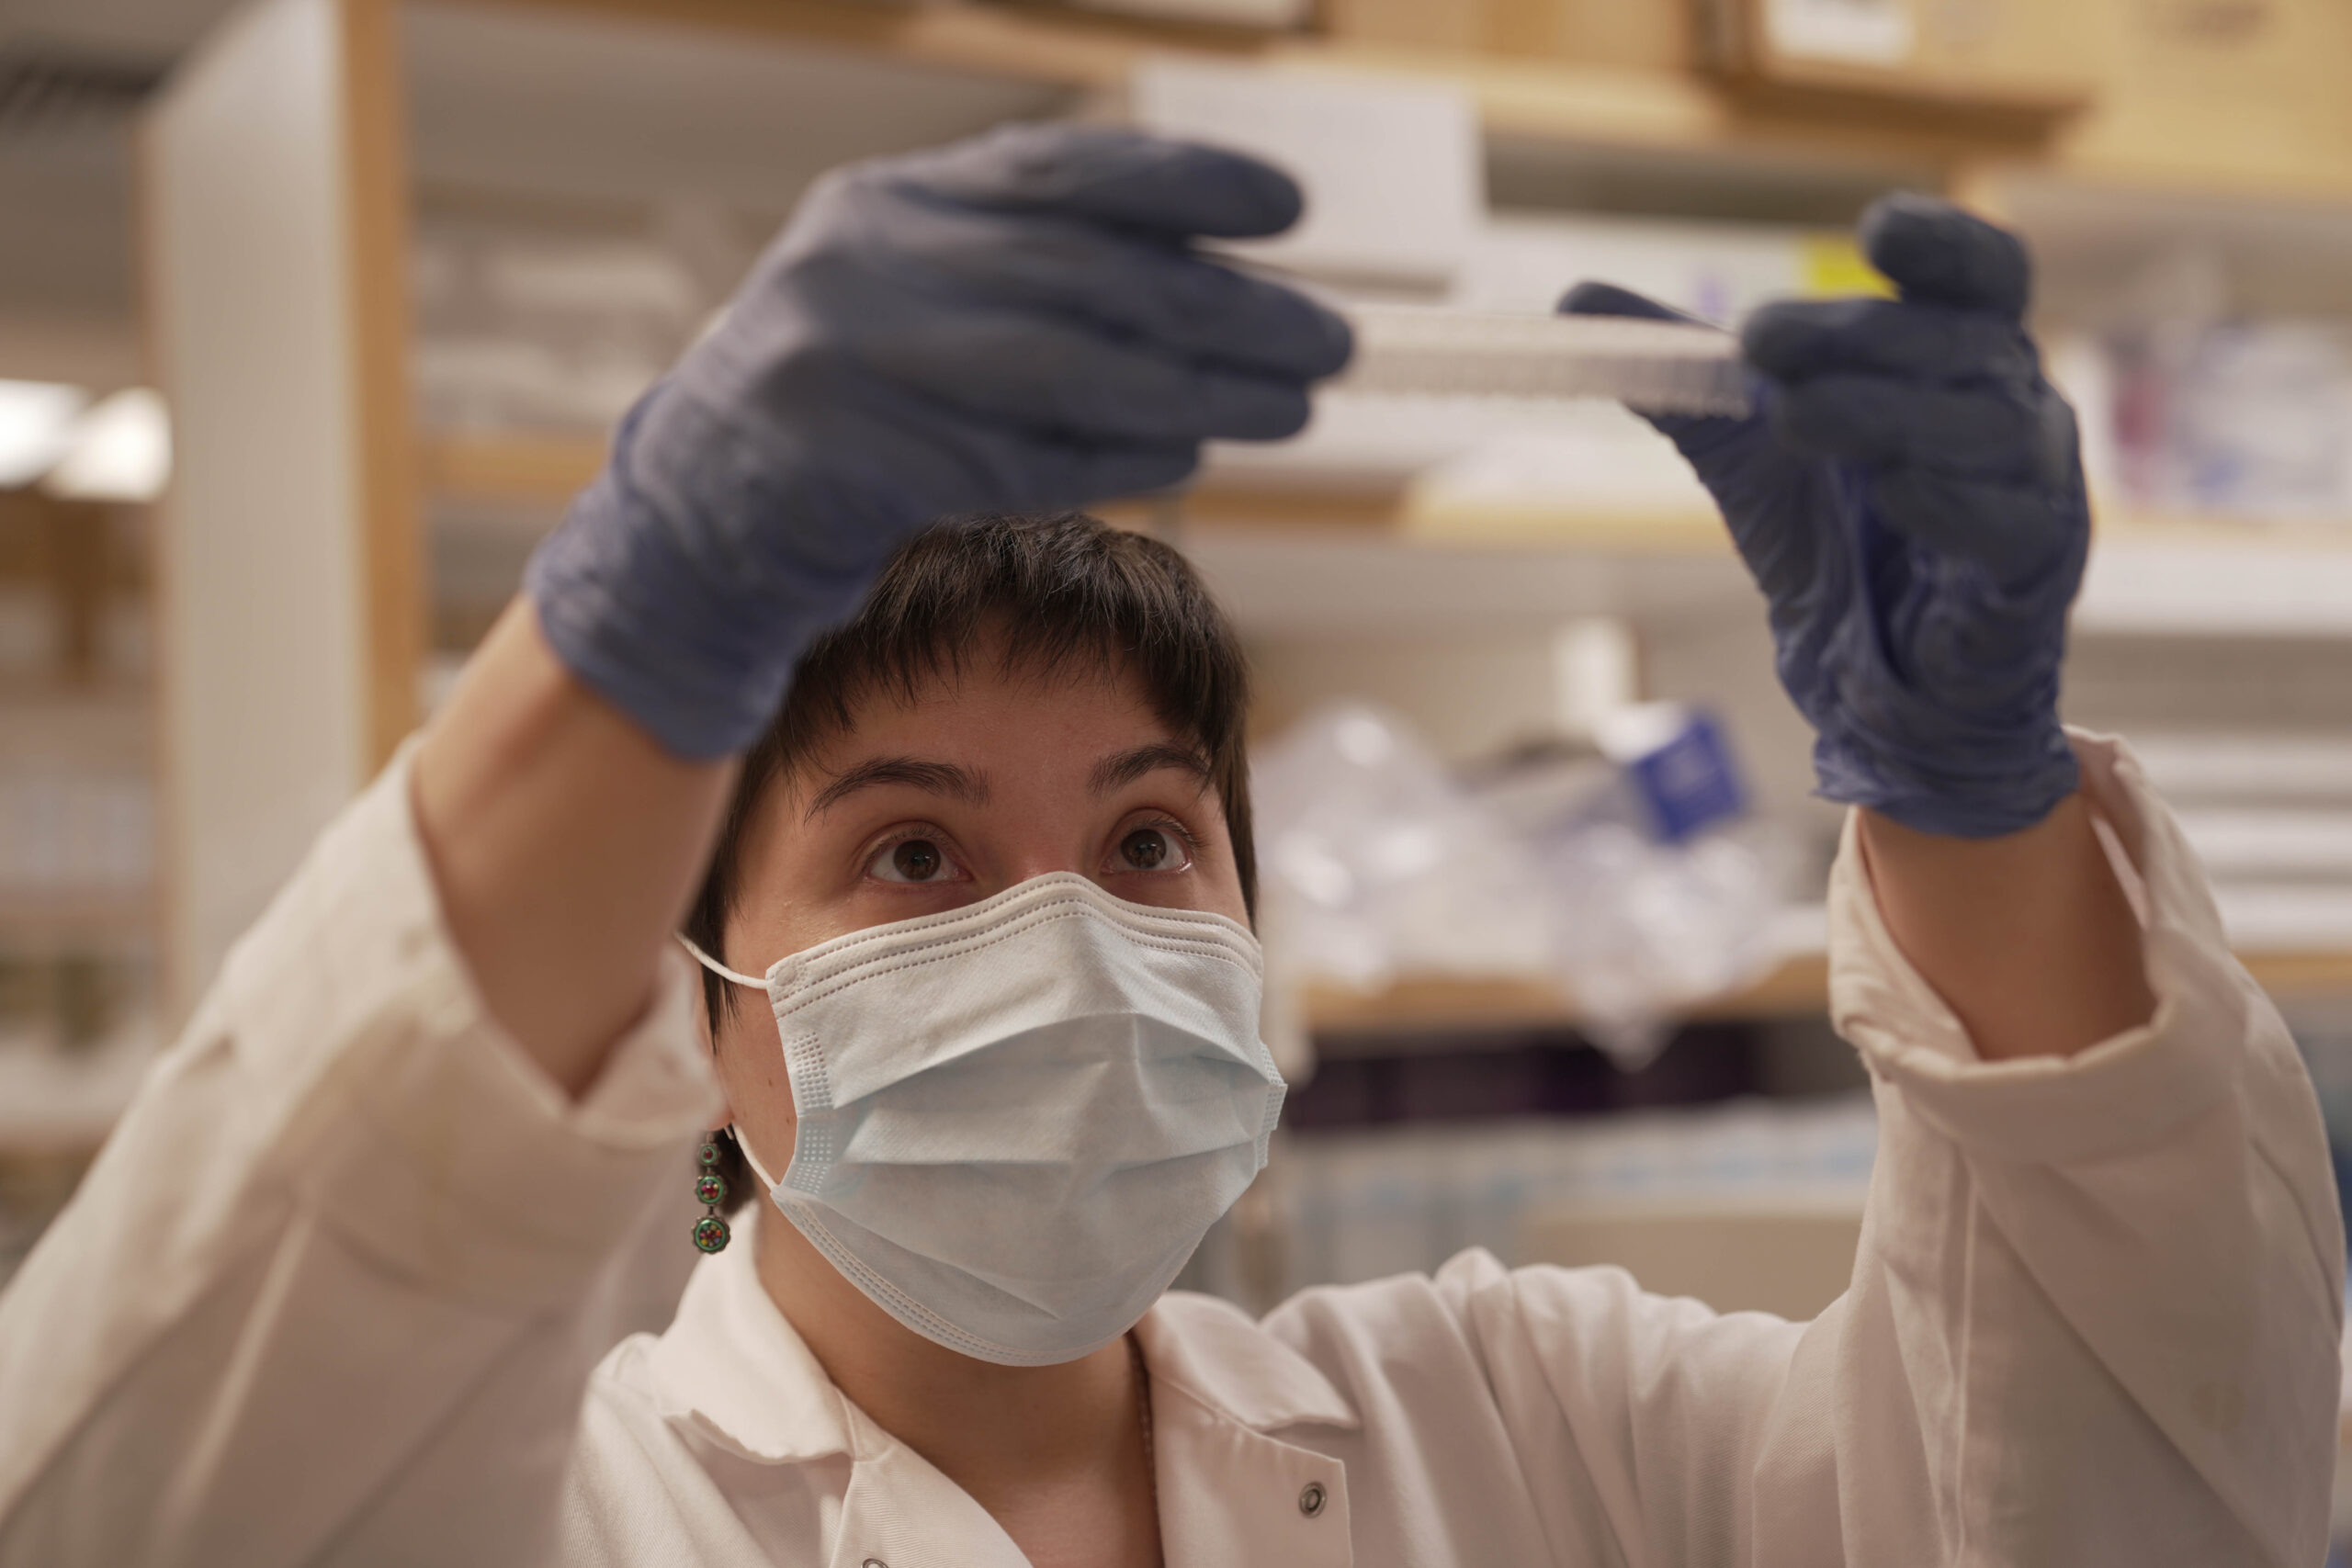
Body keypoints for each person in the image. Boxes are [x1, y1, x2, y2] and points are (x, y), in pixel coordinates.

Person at [0, 122, 2338, 1567]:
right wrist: (626, 643)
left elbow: (2098, 1497)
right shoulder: (570, 1512)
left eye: (1145, 835)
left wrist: (1975, 810)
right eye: (910, 855)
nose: (1068, 936)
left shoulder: (1525, 1420)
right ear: (703, 1011)